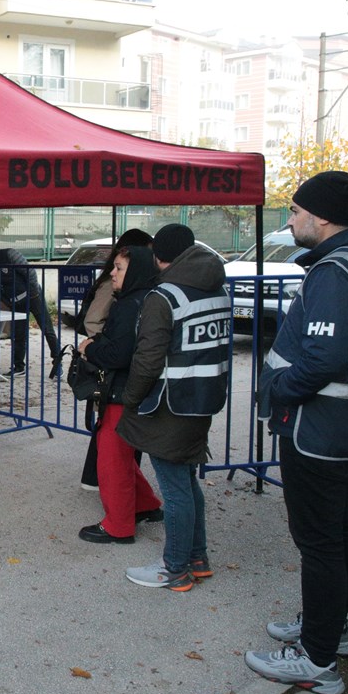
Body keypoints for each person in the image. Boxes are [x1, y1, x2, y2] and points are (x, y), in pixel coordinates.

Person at [244, 172, 348, 694]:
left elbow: (324, 358)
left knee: (320, 542)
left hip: (318, 429)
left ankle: (316, 660)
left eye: (296, 210)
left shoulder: (335, 273)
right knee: (336, 531)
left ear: (324, 216)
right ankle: (331, 627)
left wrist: (277, 388)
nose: (290, 220)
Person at [118, 223, 230, 592]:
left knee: (175, 487)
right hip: (204, 398)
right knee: (186, 480)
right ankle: (197, 558)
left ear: (158, 255)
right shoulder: (217, 288)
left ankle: (175, 568)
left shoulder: (163, 296)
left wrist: (131, 398)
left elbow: (148, 360)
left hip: (169, 403)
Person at [76, 245, 162, 544]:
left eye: (119, 268)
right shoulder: (147, 297)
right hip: (136, 388)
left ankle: (119, 525)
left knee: (111, 457)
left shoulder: (130, 305)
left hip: (123, 390)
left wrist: (90, 347)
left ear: (134, 271)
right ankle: (147, 503)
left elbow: (118, 354)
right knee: (120, 452)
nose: (112, 273)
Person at [72, 228, 154, 491]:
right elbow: (94, 321)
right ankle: (104, 482)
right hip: (114, 371)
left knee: (114, 434)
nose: (113, 272)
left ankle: (115, 484)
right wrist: (99, 345)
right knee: (111, 431)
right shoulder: (120, 292)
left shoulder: (137, 293)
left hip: (118, 368)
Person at [0, 248, 63, 379]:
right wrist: (7, 301)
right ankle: (19, 367)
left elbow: (29, 272)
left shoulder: (9, 254)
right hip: (16, 301)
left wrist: (33, 293)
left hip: (33, 295)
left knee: (47, 329)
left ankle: (58, 363)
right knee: (19, 333)